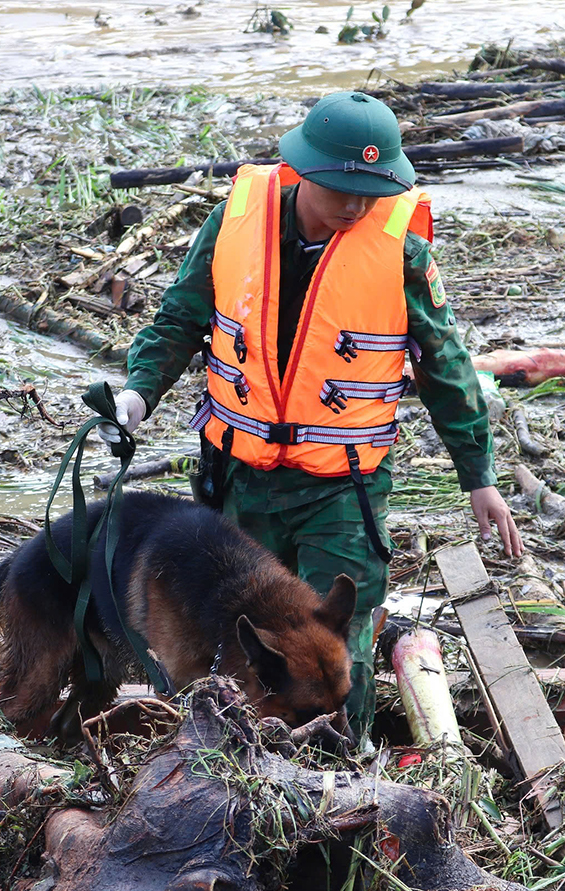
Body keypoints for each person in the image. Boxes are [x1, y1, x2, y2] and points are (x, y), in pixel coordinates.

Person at [97, 90, 522, 738]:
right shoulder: (234, 222)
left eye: (369, 193)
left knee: (333, 641)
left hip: (341, 489)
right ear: (302, 172)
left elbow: (445, 366)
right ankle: (241, 771)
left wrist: (478, 476)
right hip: (240, 483)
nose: (354, 206)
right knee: (241, 645)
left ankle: (344, 772)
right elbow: (178, 318)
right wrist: (138, 392)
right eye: (341, 190)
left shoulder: (399, 252)